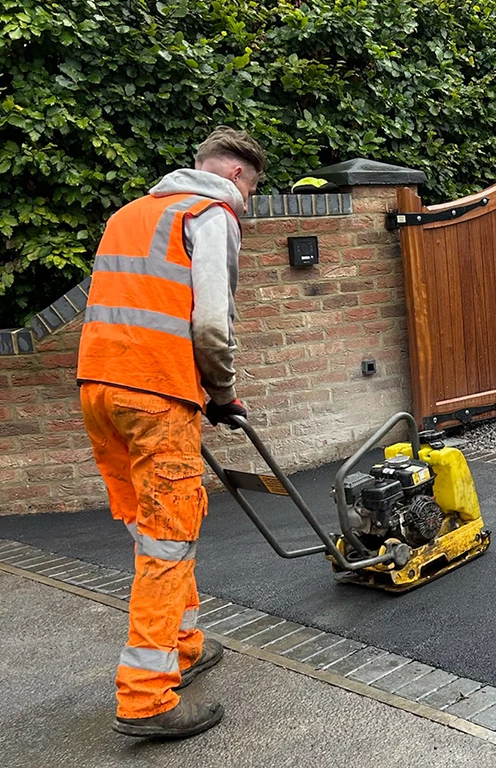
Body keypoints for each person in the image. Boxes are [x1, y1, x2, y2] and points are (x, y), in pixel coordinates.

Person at [76, 126, 266, 739]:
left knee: (152, 531)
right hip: (156, 394)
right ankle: (146, 699)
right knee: (169, 539)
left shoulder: (129, 214)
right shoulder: (211, 215)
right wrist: (221, 393)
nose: (248, 203)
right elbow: (212, 322)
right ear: (237, 176)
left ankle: (182, 647)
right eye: (253, 191)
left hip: (99, 390)